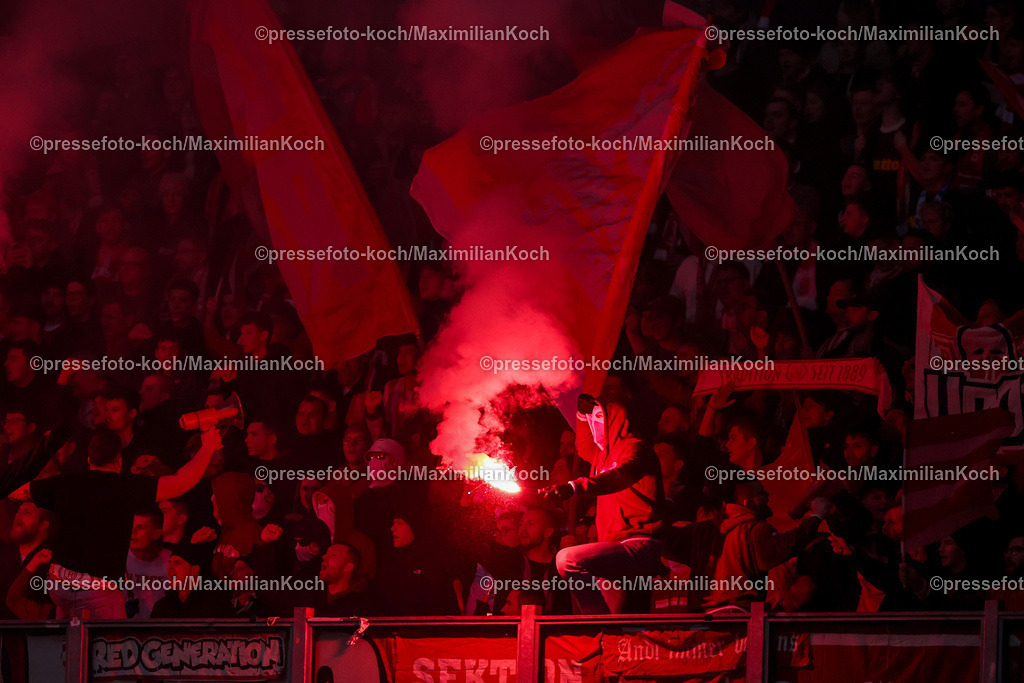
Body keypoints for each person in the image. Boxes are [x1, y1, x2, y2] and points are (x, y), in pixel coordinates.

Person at [22, 427, 220, 618]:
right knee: (112, 648)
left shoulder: (64, 482)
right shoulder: (127, 487)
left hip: (59, 584)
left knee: (67, 642)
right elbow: (182, 482)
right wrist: (208, 447)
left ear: (89, 459)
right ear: (119, 460)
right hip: (97, 591)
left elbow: (17, 492)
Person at [544, 394, 664, 614]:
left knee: (567, 558)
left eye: (601, 417)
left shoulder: (637, 448)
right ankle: (604, 632)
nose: (596, 423)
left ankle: (597, 626)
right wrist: (581, 416)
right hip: (614, 549)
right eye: (593, 419)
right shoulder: (601, 455)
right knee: (623, 629)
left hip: (638, 545)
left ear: (617, 419)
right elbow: (582, 447)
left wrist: (573, 487)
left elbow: (620, 476)